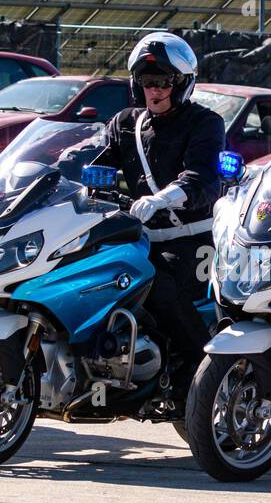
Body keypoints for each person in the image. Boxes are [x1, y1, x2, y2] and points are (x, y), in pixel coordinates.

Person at [95, 32, 224, 395]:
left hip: (191, 238)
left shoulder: (205, 123)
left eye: (163, 81)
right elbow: (90, 164)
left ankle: (205, 375)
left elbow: (203, 178)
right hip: (138, 236)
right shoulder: (124, 124)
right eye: (147, 81)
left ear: (181, 83)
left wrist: (163, 198)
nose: (155, 89)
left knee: (159, 286)